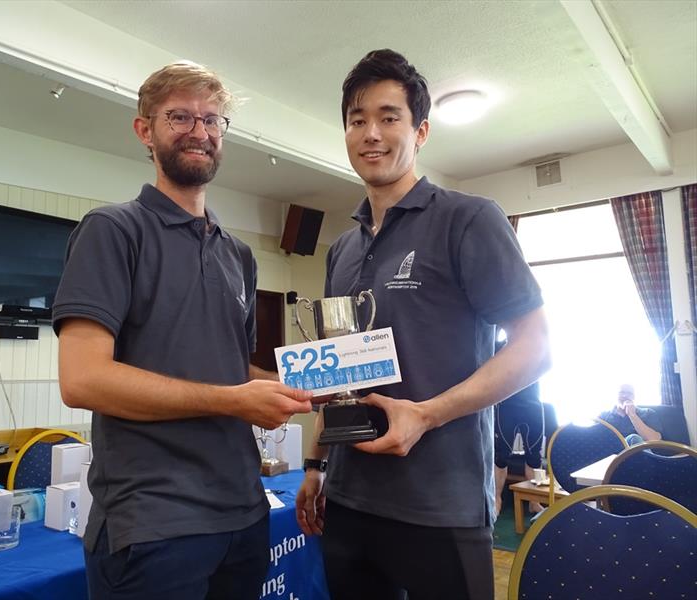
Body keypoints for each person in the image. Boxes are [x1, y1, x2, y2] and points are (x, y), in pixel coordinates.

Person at [295, 49, 550, 600]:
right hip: (348, 501)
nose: (372, 133)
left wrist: (425, 415)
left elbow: (536, 348)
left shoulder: (469, 218)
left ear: (422, 130)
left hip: (441, 506)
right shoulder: (341, 248)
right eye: (357, 120)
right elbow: (340, 368)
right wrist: (315, 466)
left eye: (390, 117)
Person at [53, 61, 312, 600]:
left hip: (243, 512)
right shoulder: (112, 230)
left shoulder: (238, 255)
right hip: (153, 522)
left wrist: (306, 382)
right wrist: (233, 401)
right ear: (144, 130)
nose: (201, 131)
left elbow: (231, 368)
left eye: (213, 120)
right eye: (181, 117)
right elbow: (83, 380)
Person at [494, 381, 545, 514]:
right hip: (506, 404)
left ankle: (534, 502)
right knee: (501, 456)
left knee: (534, 457)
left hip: (533, 405)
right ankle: (496, 500)